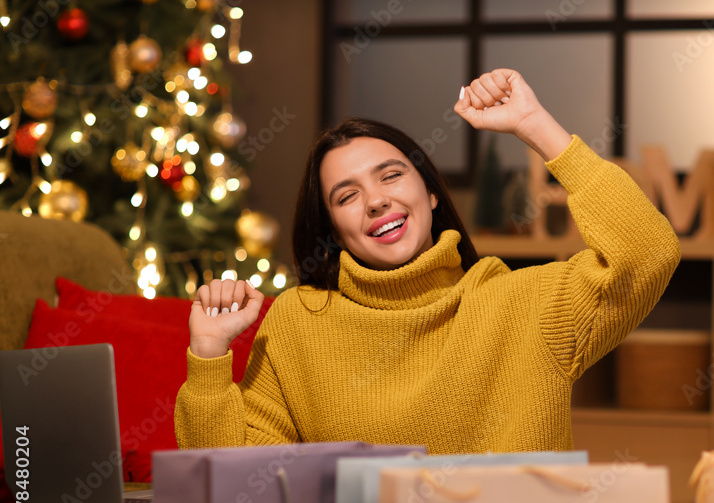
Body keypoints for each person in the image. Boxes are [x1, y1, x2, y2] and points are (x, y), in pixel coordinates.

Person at [175, 68, 681, 455]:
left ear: (431, 195)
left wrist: (536, 128)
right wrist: (208, 355)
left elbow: (647, 251)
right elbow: (238, 483)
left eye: (391, 175)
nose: (375, 200)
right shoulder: (298, 323)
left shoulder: (524, 306)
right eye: (347, 196)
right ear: (333, 229)